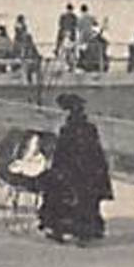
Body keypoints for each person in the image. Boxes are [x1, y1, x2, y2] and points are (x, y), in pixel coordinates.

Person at [37, 93, 112, 245]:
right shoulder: (90, 129)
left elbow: (61, 154)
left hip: (73, 173)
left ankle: (59, 229)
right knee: (87, 201)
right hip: (90, 172)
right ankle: (86, 231)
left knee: (56, 194)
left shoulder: (67, 130)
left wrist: (56, 170)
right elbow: (96, 152)